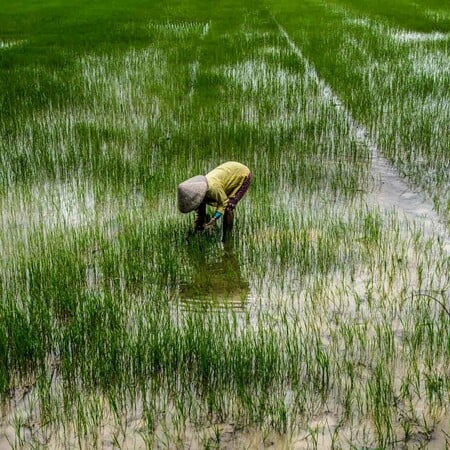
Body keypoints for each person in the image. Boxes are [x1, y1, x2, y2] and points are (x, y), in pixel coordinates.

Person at [177, 161, 252, 240]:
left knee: (229, 207)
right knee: (201, 211)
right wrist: (195, 230)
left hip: (241, 173)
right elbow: (200, 214)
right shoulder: (197, 194)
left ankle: (227, 237)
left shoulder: (212, 188)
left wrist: (214, 219)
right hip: (226, 173)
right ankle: (201, 233)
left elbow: (223, 203)